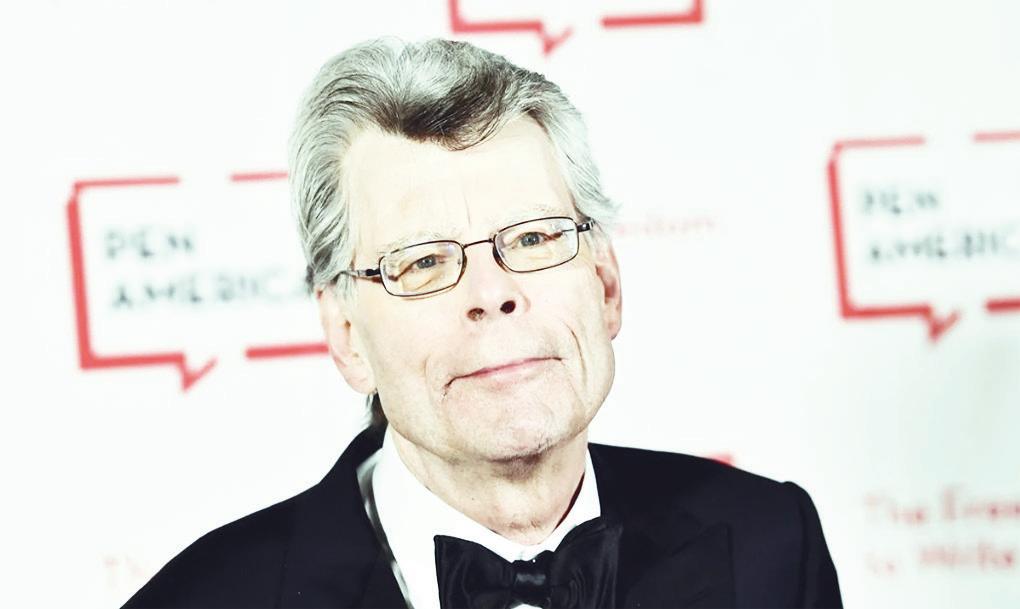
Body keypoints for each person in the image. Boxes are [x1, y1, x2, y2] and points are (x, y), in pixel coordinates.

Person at [124, 38, 842, 609]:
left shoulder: (772, 545)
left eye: (533, 238)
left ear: (606, 283)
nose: (493, 293)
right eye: (423, 261)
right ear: (347, 337)